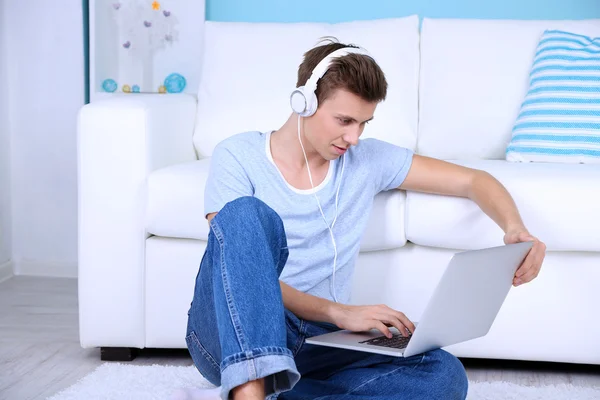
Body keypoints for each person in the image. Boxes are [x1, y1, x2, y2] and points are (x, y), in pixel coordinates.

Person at [183, 39, 547, 400]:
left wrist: (515, 229)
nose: (353, 137)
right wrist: (338, 312)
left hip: (319, 343)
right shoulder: (238, 155)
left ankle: (275, 391)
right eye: (344, 120)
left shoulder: (367, 161)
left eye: (363, 123)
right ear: (304, 101)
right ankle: (249, 388)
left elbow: (474, 181)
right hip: (229, 334)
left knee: (443, 376)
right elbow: (237, 274)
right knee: (245, 214)